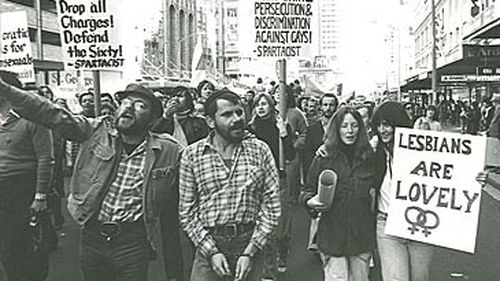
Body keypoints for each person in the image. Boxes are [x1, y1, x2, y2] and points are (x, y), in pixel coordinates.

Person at [0, 77, 183, 281]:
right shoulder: (96, 131)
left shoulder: (168, 150)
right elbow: (51, 114)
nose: (128, 108)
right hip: (92, 235)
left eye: (140, 105)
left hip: (133, 240)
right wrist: (6, 90)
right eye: (125, 102)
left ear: (152, 119)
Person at [179, 89, 281, 281]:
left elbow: (272, 207)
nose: (236, 119)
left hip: (250, 241)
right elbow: (187, 212)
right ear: (210, 121)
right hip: (208, 245)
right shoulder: (192, 155)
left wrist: (250, 252)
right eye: (227, 114)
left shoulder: (260, 150)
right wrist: (211, 252)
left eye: (239, 112)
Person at [301, 107, 375, 281]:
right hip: (332, 236)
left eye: (354, 125)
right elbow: (307, 190)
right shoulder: (323, 157)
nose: (350, 131)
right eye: (344, 126)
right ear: (336, 128)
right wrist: (310, 201)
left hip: (361, 236)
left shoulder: (369, 157)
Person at [0, 71, 54, 281]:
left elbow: (45, 159)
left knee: (26, 245)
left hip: (23, 186)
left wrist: (40, 196)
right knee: (6, 246)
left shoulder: (33, 118)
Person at [371, 101, 433, 281]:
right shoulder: (374, 151)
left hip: (421, 224)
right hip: (387, 225)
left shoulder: (422, 151)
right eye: (379, 125)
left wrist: (476, 178)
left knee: (420, 278)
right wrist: (325, 150)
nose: (383, 130)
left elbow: (450, 175)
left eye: (387, 124)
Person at [249, 92, 295, 277]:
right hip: (258, 179)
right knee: (262, 224)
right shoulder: (250, 129)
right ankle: (268, 268)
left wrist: (284, 134)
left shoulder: (280, 126)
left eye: (264, 104)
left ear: (271, 106)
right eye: (257, 104)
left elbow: (290, 155)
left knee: (280, 221)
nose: (260, 107)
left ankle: (282, 249)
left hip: (278, 176)